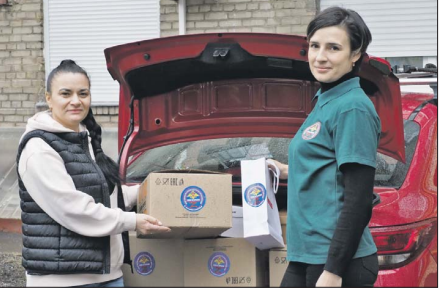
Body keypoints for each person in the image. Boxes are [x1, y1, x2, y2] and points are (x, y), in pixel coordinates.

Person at [16, 60, 170, 287]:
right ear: (49, 98)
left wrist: (150, 189)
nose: (76, 101)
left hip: (106, 275)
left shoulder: (83, 140)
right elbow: (74, 209)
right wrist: (132, 221)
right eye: (65, 93)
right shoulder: (38, 148)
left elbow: (107, 198)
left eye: (83, 93)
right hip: (63, 280)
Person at [269, 7, 380, 287]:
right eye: (314, 46)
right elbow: (328, 166)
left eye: (333, 48)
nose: (320, 57)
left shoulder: (352, 107)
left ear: (355, 55)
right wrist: (286, 170)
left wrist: (333, 271)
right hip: (306, 255)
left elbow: (359, 200)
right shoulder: (326, 100)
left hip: (336, 262)